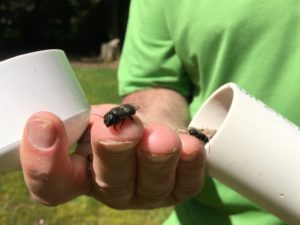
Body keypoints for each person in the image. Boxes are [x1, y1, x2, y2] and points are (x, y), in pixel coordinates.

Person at [20, 0, 300, 224]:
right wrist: (151, 134)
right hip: (210, 214)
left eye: (114, 120)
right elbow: (155, 82)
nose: (113, 121)